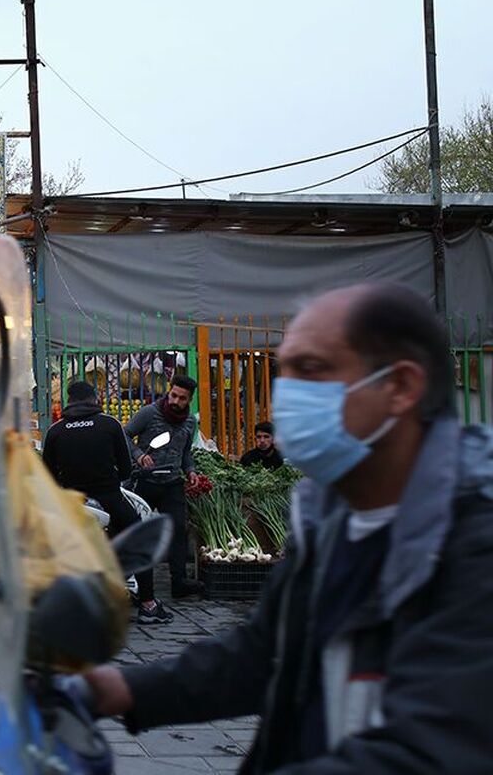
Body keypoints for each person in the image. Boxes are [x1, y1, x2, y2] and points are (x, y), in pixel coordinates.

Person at [85, 283, 493, 772]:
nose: (288, 397)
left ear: (401, 387)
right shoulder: (333, 523)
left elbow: (432, 749)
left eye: (312, 370)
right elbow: (266, 654)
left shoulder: (475, 547)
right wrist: (123, 689)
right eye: (287, 372)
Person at [43, 381, 169, 624]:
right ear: (94, 399)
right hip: (109, 497)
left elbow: (47, 474)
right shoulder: (109, 424)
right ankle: (148, 604)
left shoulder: (56, 431)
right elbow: (124, 469)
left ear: (69, 401)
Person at [123, 375, 205, 599]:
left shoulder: (190, 422)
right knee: (138, 530)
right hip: (144, 480)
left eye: (182, 398)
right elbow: (125, 434)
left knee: (178, 530)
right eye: (174, 395)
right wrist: (139, 456)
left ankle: (178, 582)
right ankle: (134, 581)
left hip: (172, 483)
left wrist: (191, 471)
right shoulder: (149, 413)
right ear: (169, 392)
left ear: (189, 400)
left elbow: (186, 452)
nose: (176, 401)